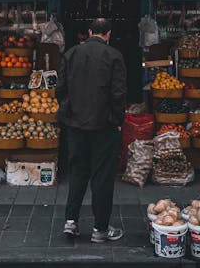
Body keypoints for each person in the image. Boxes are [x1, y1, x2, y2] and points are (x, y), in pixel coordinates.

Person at [56, 18, 127, 243]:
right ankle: (100, 229)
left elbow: (60, 90)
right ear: (108, 34)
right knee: (102, 178)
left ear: (89, 32)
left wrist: (69, 114)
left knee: (77, 172)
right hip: (104, 127)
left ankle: (71, 222)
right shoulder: (114, 56)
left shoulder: (71, 54)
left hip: (76, 127)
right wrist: (116, 120)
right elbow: (118, 94)